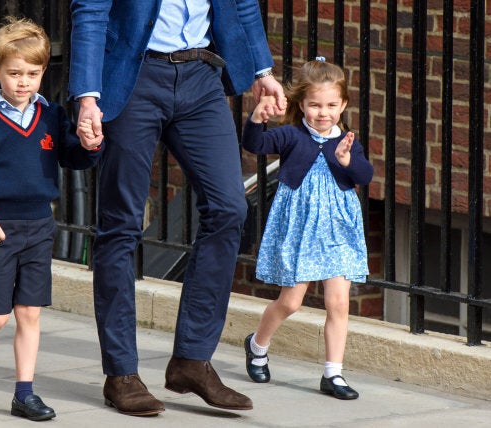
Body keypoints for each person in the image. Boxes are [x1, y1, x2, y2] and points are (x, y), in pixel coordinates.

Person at [69, 0, 286, 416]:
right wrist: (87, 96)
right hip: (133, 77)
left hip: (201, 78)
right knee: (121, 226)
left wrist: (262, 70)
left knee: (229, 208)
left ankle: (192, 359)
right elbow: (91, 11)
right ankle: (121, 374)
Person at [0, 16, 101, 421]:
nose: (24, 81)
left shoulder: (52, 117)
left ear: (43, 73)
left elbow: (72, 158)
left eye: (33, 73)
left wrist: (89, 145)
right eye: (14, 73)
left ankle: (24, 394)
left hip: (39, 227)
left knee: (30, 313)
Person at [242, 58, 373, 400]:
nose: (323, 112)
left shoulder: (346, 141)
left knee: (339, 303)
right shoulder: (291, 135)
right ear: (302, 104)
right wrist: (257, 118)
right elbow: (255, 145)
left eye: (331, 105)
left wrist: (347, 161)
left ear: (343, 104)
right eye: (315, 105)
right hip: (300, 229)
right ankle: (257, 345)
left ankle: (334, 374)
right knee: (291, 303)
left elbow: (364, 175)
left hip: (338, 231)